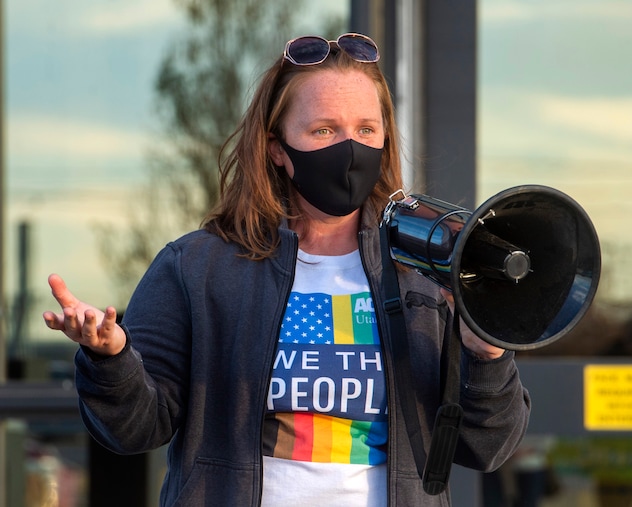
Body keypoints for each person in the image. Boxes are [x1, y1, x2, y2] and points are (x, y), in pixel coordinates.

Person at [43, 32, 530, 506]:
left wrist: (484, 354)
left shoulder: (424, 274)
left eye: (366, 129)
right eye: (324, 130)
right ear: (278, 149)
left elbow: (487, 447)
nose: (350, 148)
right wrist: (111, 359)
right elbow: (135, 428)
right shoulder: (198, 268)